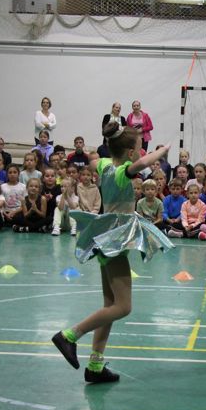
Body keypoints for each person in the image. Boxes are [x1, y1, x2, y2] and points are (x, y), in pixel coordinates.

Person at [51, 123, 172, 383]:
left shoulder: (105, 164)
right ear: (129, 153)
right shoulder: (120, 173)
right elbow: (141, 164)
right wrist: (163, 151)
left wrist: (112, 137)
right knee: (123, 307)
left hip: (107, 237)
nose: (142, 152)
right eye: (139, 148)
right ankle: (69, 335)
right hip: (115, 241)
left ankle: (95, 366)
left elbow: (93, 161)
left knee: (110, 305)